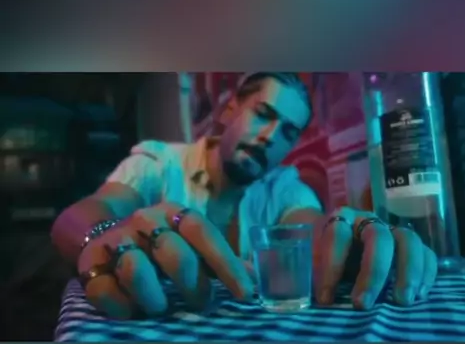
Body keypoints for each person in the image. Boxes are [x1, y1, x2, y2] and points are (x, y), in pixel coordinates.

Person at [51, 72, 438, 319]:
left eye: (288, 132)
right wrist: (101, 236)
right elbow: (81, 216)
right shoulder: (160, 163)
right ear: (230, 109)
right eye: (264, 114)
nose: (270, 137)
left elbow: (312, 231)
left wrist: (352, 235)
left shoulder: (285, 188)